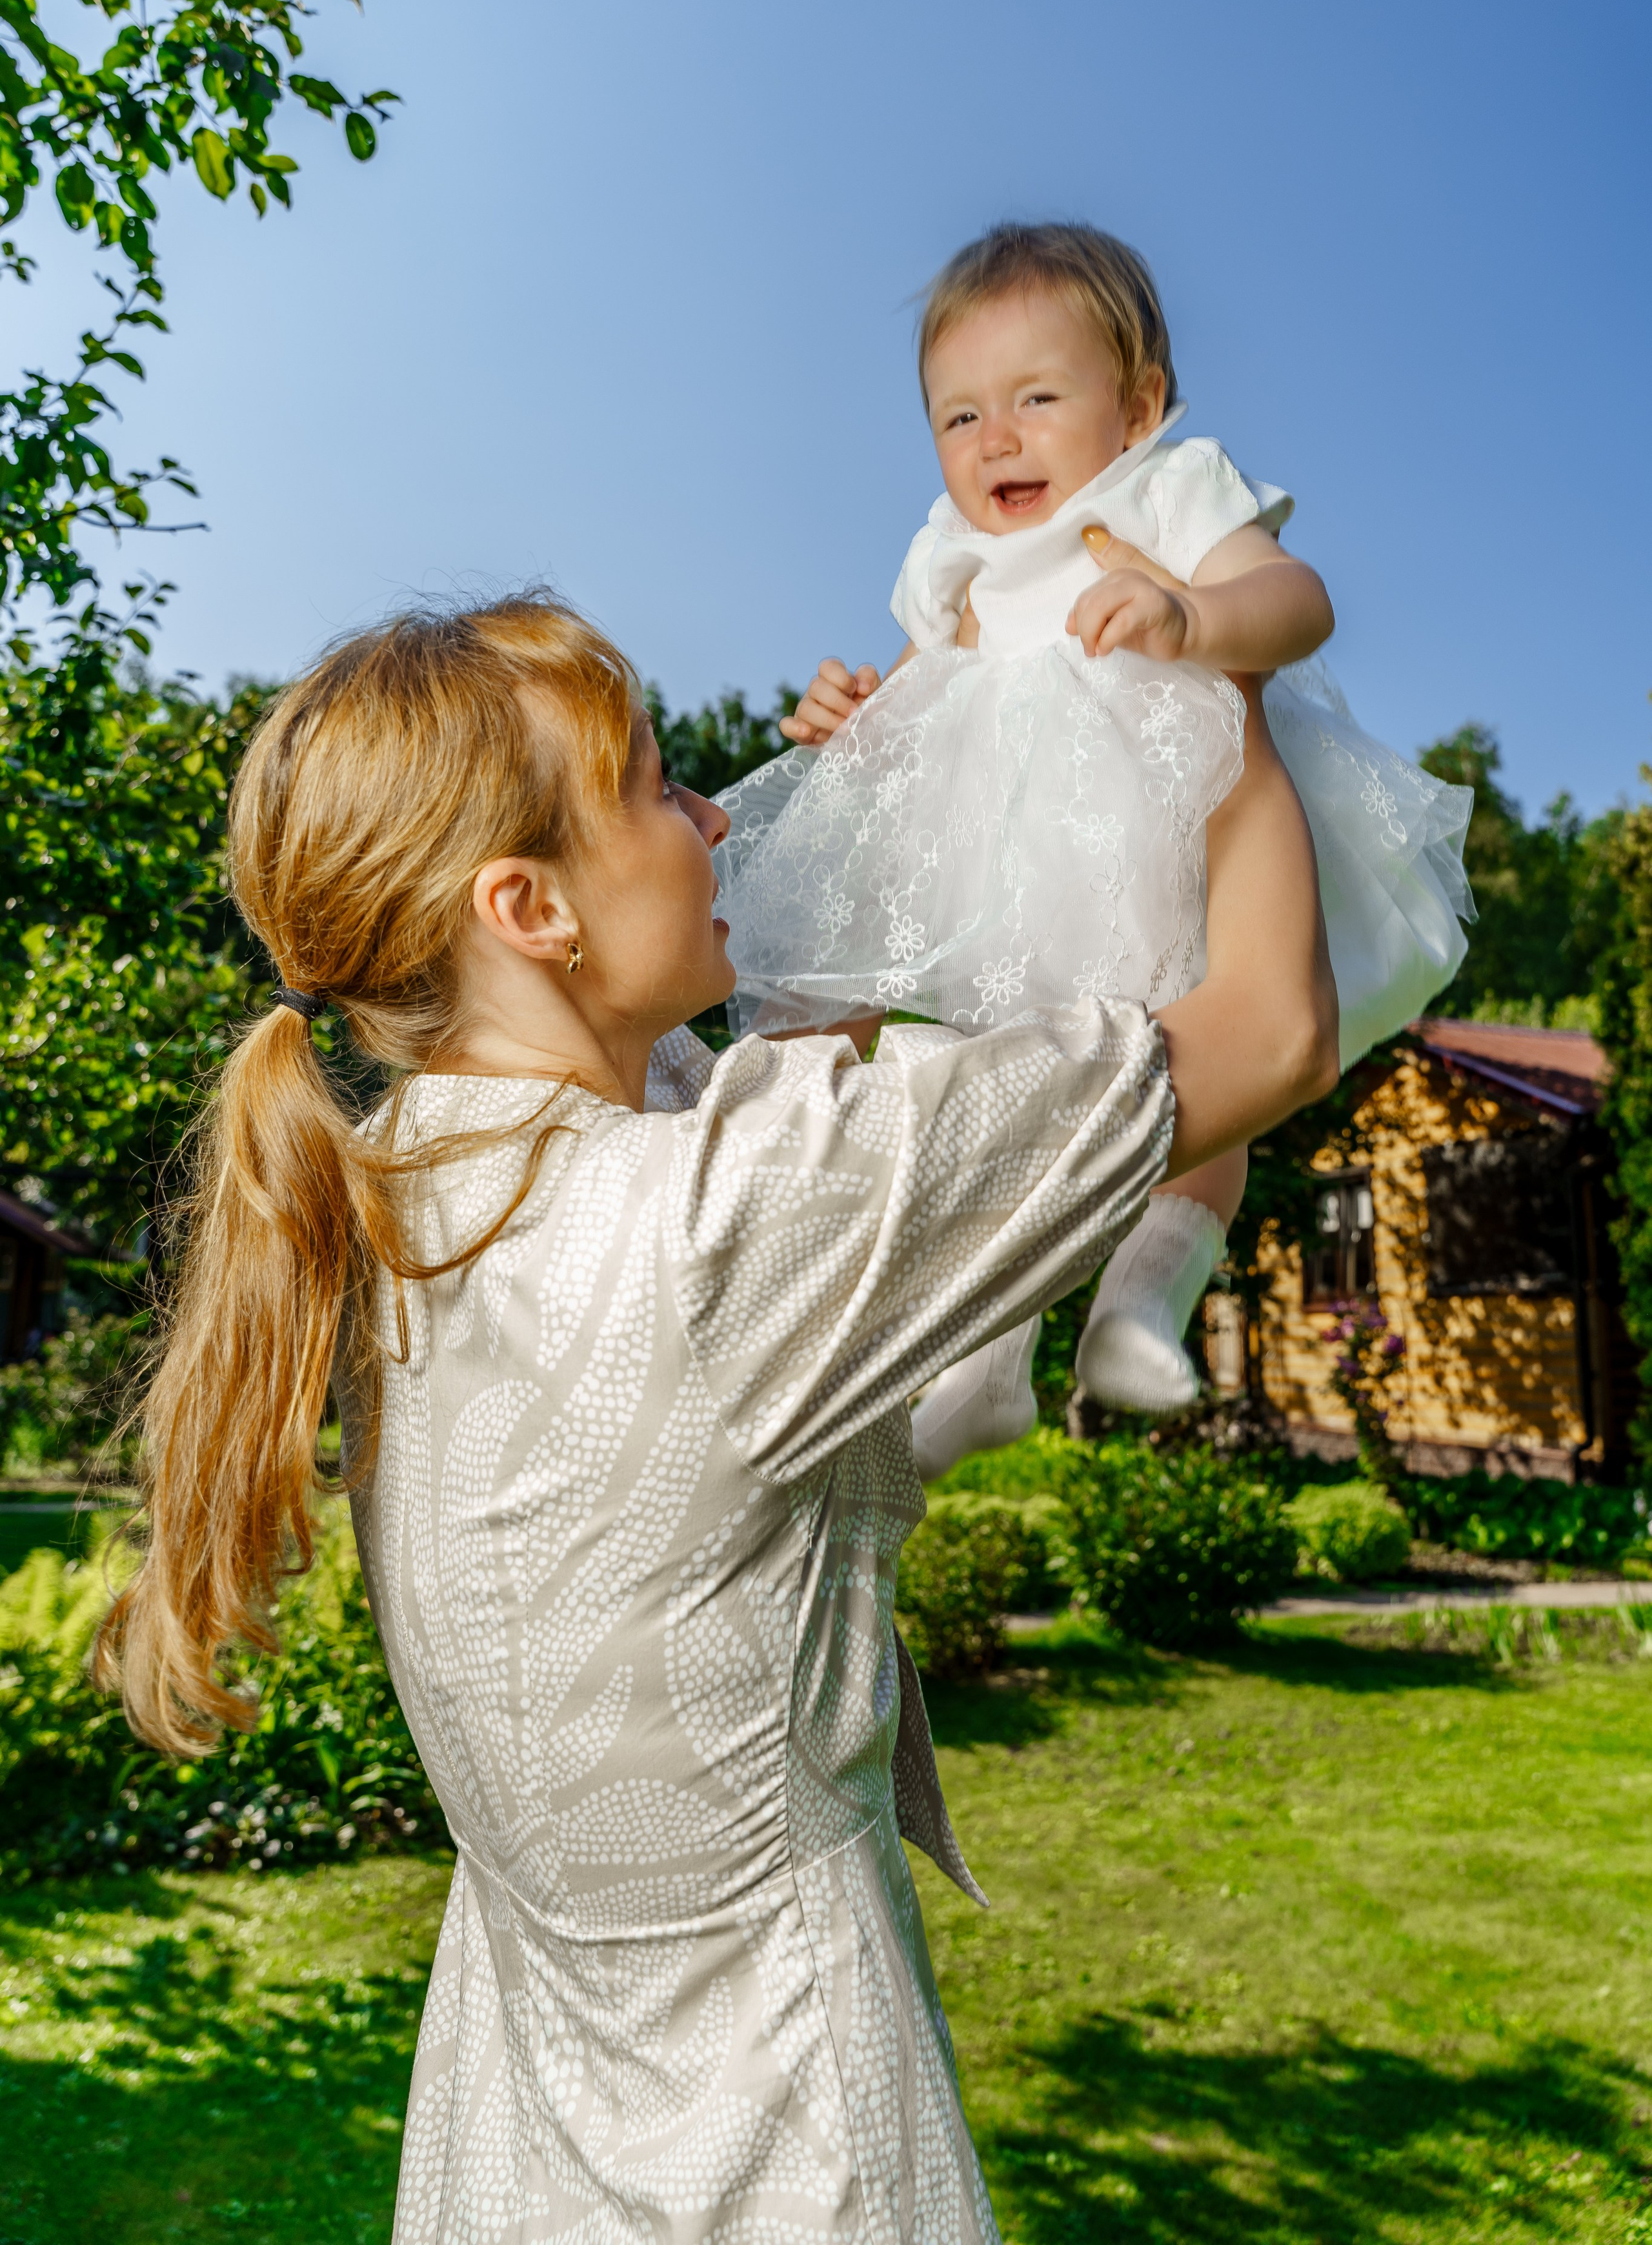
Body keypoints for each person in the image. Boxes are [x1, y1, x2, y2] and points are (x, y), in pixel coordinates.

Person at [97, 592, 1337, 2243]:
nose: (713, 817)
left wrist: (917, 770)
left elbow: (750, 1072)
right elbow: (1271, 1026)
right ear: (527, 907)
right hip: (781, 2136)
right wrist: (1223, 702)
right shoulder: (721, 1216)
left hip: (524, 2124)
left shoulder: (401, 1197)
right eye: (660, 787)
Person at [713, 221, 1473, 1470]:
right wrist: (848, 718)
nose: (994, 440)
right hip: (1006, 872)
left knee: (1201, 1071)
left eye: (1034, 399)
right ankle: (990, 1361)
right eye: (957, 418)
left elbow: (1300, 600)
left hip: (1169, 828)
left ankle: (1142, 1304)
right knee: (1004, 1090)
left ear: (1138, 408)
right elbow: (916, 692)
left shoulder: (1164, 491)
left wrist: (1195, 611)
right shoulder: (950, 557)